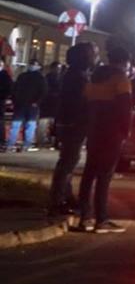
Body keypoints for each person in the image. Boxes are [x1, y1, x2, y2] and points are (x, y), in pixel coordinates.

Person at [76, 44, 134, 233]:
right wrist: (125, 131)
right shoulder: (121, 80)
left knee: (89, 173)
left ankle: (84, 218)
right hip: (112, 132)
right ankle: (101, 219)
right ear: (124, 62)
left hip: (94, 131)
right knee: (104, 176)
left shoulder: (94, 78)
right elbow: (125, 108)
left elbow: (85, 104)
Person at [49, 43, 97, 215]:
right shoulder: (78, 78)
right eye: (93, 54)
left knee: (68, 161)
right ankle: (57, 200)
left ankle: (66, 197)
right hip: (73, 124)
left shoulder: (73, 75)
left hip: (69, 123)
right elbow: (82, 102)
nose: (95, 58)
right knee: (67, 162)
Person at [8, 62, 47, 150]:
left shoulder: (22, 76)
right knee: (30, 124)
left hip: (21, 104)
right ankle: (27, 144)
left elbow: (14, 88)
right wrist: (37, 102)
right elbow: (44, 91)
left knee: (16, 124)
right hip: (31, 105)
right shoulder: (40, 78)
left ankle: (10, 144)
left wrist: (14, 101)